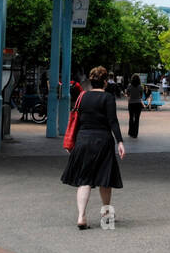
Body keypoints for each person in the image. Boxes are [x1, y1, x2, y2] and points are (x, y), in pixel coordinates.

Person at [60, 66, 125, 229]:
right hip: (103, 140)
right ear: (104, 82)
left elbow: (78, 120)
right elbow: (113, 121)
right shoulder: (108, 98)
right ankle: (106, 215)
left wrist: (73, 141)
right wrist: (120, 142)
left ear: (91, 80)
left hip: (83, 139)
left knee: (84, 179)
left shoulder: (83, 97)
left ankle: (81, 216)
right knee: (105, 178)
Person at [126, 74, 145, 138]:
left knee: (131, 118)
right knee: (137, 119)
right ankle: (135, 134)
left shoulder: (129, 86)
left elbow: (127, 94)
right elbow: (141, 95)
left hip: (131, 103)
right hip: (138, 104)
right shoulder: (140, 87)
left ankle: (130, 132)